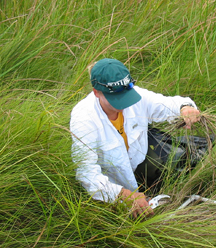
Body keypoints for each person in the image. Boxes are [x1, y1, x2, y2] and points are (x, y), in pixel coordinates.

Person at [70, 58, 200, 218]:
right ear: (96, 92)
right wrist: (122, 194)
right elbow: (86, 172)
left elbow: (171, 104)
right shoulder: (83, 118)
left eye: (126, 95)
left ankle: (151, 193)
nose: (124, 103)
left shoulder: (138, 96)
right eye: (115, 98)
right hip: (110, 180)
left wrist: (185, 109)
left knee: (179, 157)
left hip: (137, 160)